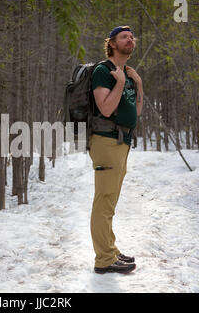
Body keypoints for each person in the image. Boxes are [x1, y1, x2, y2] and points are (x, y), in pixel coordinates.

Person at [88, 25, 143, 274]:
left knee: (110, 201)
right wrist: (120, 82)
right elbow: (106, 109)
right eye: (124, 37)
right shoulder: (104, 71)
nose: (129, 39)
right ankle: (104, 259)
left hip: (122, 142)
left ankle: (110, 250)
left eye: (131, 36)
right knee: (104, 201)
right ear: (111, 43)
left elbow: (136, 112)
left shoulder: (128, 74)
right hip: (106, 140)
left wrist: (137, 84)